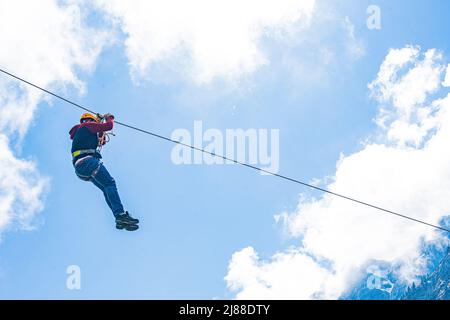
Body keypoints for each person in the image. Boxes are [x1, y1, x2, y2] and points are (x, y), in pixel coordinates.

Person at [69, 112, 139, 231]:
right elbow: (109, 126)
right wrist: (109, 118)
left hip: (80, 169)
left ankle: (118, 217)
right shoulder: (87, 126)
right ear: (89, 120)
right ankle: (120, 215)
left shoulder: (80, 131)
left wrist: (99, 127)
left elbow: (101, 141)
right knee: (110, 184)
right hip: (88, 162)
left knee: (106, 187)